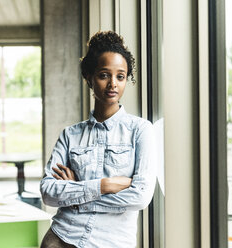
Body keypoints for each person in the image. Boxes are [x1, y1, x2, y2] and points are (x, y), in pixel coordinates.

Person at [40, 30, 156, 248]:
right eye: (104, 75)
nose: (113, 83)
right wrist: (105, 185)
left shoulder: (141, 130)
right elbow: (48, 192)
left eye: (120, 76)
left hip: (112, 242)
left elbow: (140, 197)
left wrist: (77, 193)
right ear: (89, 78)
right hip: (61, 238)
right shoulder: (70, 135)